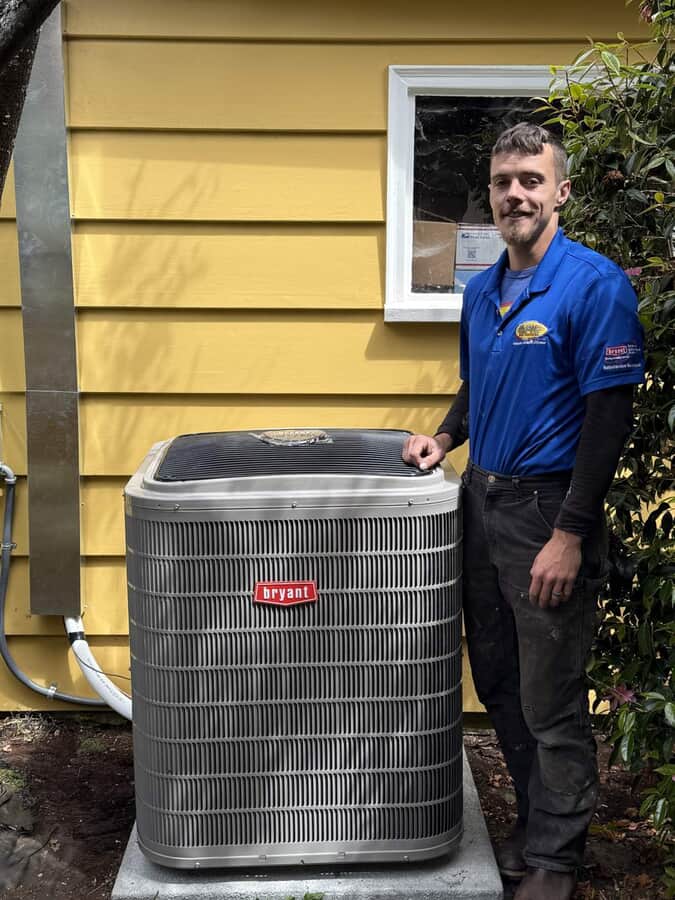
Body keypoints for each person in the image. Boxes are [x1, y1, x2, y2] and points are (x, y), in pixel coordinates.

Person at [402, 123, 644, 900]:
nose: (516, 193)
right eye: (504, 180)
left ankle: (555, 860)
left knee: (550, 695)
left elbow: (608, 415)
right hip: (481, 500)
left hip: (547, 511)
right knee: (500, 680)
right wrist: (443, 437)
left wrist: (569, 533)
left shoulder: (593, 284)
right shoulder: (481, 290)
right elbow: (480, 386)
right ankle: (538, 824)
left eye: (531, 180)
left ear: (560, 191)